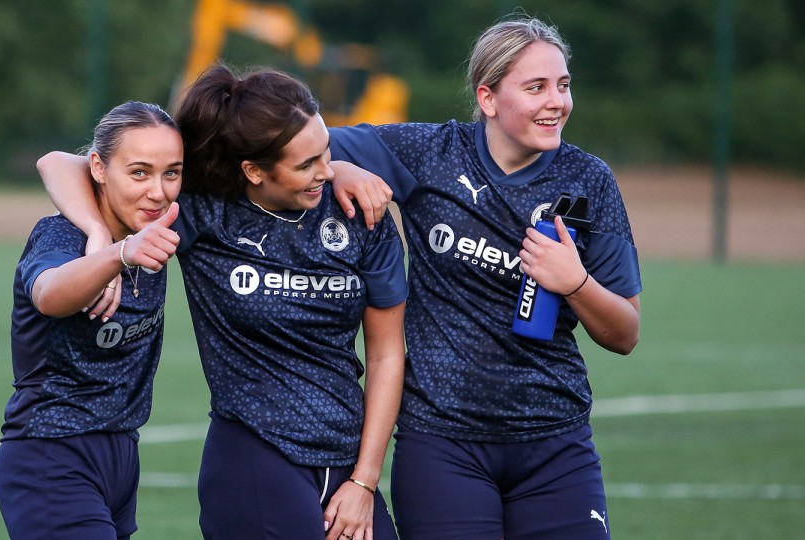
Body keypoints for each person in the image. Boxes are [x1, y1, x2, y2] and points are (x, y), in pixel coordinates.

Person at [37, 64, 407, 540]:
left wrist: (364, 480)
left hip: (346, 463)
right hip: (254, 457)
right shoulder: (200, 209)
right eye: (306, 164)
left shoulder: (361, 212)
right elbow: (60, 163)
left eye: (328, 154)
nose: (327, 171)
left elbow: (384, 353)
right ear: (253, 170)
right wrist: (99, 237)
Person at [327, 15, 642, 539]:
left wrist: (576, 283)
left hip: (555, 443)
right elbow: (296, 140)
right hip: (442, 444)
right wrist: (338, 167)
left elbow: (626, 333)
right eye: (536, 87)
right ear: (488, 98)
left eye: (563, 86)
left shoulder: (590, 180)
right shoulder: (431, 153)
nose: (556, 102)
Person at [0, 100, 183, 540]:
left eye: (171, 173)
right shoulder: (61, 234)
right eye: (139, 172)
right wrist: (114, 253)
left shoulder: (158, 220)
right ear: (98, 168)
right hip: (51, 453)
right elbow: (48, 293)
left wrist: (340, 171)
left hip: (121, 454)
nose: (158, 191)